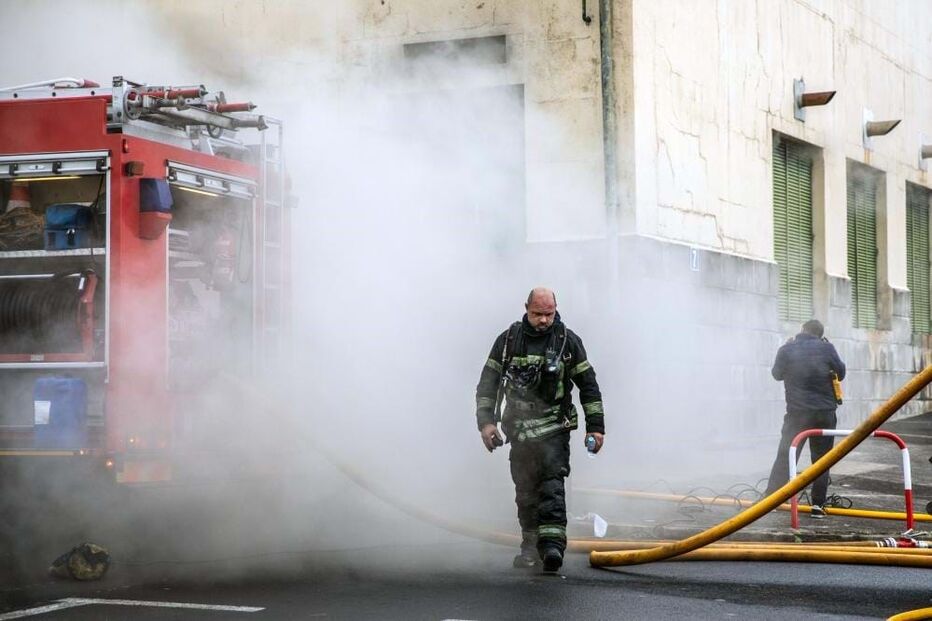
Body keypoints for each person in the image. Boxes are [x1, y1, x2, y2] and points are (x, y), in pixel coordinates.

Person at [475, 287, 605, 573]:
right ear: (526, 308)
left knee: (552, 487)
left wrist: (595, 428)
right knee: (525, 491)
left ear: (556, 310)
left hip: (554, 429)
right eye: (538, 314)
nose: (544, 320)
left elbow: (589, 387)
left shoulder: (567, 342)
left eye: (549, 314)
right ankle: (530, 548)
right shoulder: (508, 342)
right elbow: (488, 385)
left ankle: (552, 548)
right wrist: (486, 423)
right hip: (519, 432)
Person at [764, 319, 846, 518]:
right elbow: (841, 373)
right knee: (822, 460)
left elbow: (776, 374)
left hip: (797, 414)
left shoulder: (787, 349)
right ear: (820, 334)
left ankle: (771, 500)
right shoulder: (827, 348)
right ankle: (818, 505)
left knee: (786, 456)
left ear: (802, 330)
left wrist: (787, 349)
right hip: (824, 413)